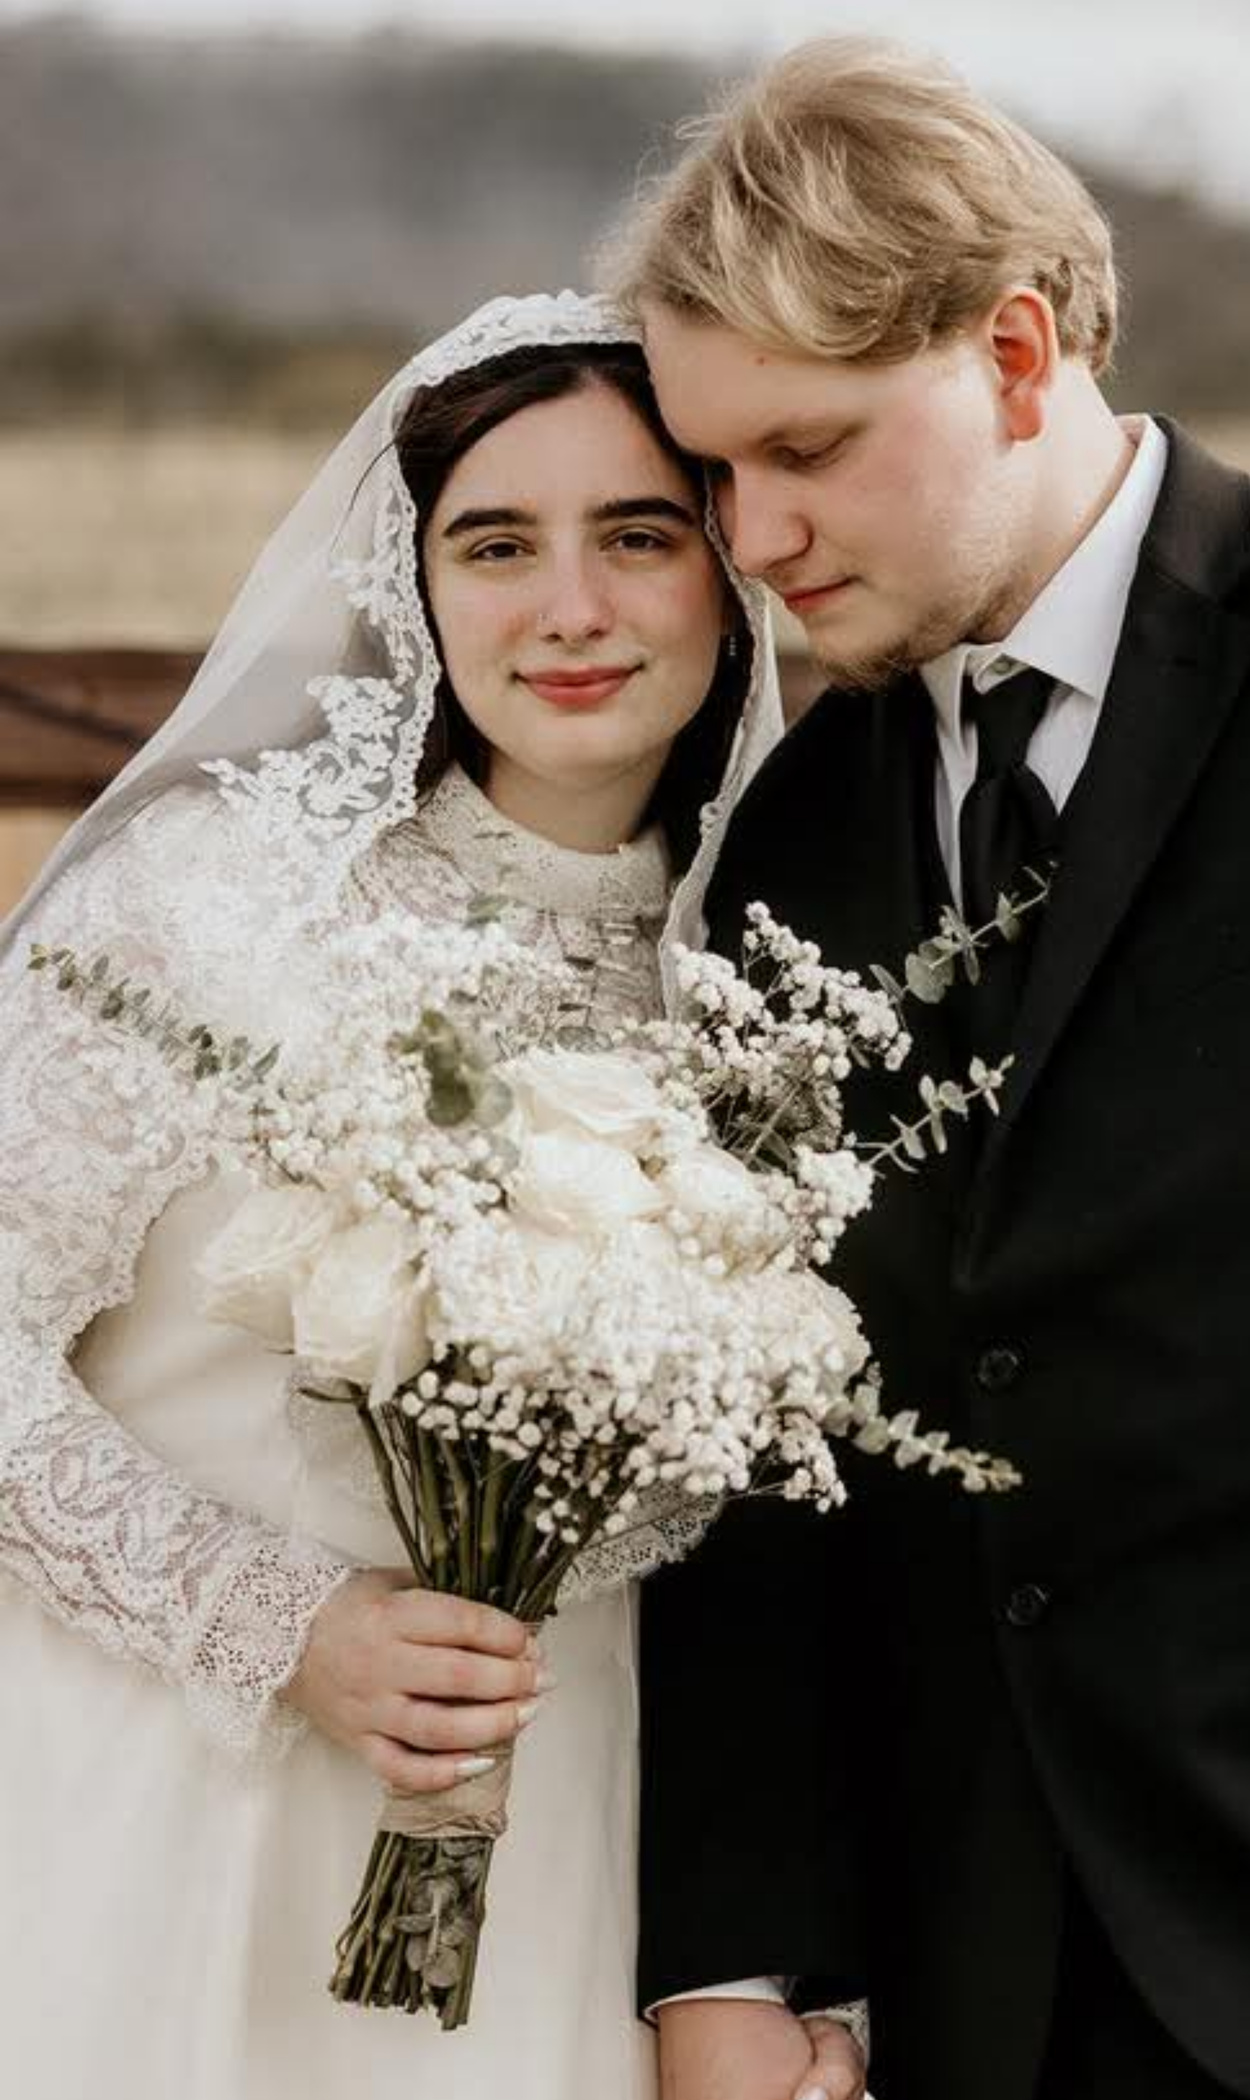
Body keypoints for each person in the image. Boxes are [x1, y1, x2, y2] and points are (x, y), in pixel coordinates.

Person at [608, 38, 1250, 2100]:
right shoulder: (795, 828)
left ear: (1014, 354)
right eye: (715, 473)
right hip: (1000, 1982)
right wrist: (737, 1951)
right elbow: (768, 1446)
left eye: (805, 448)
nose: (756, 535)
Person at [0, 290, 824, 2100]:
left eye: (637, 536)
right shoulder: (210, 904)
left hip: (572, 1840)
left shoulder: (781, 988)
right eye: (497, 545)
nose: (571, 608)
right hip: (172, 1802)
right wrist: (275, 1621)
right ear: (414, 582)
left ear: (729, 573)